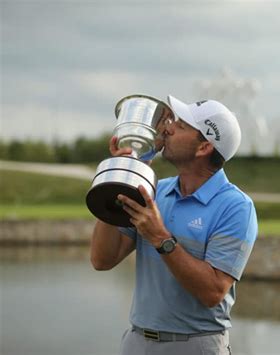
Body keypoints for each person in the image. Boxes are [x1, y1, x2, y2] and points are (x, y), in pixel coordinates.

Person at [90, 95, 258, 355]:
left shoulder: (236, 207)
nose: (167, 128)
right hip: (136, 342)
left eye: (180, 126)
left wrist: (160, 238)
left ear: (203, 147)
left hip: (196, 346)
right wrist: (122, 174)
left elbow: (212, 292)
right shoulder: (154, 190)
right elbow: (102, 259)